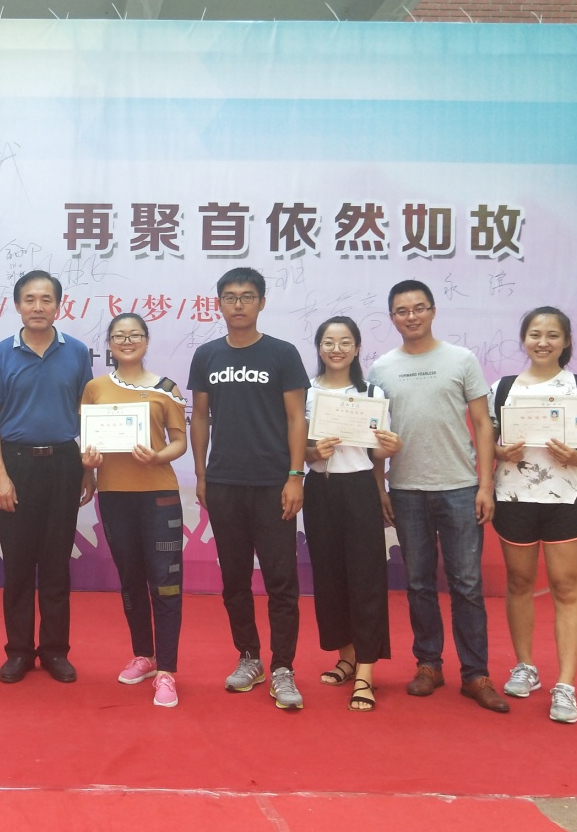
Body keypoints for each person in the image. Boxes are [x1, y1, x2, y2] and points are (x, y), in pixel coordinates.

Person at [369, 279, 509, 713]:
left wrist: (485, 485)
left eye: (419, 308)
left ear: (432, 311)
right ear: (392, 317)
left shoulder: (461, 359)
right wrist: (380, 487)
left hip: (460, 487)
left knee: (467, 584)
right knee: (418, 583)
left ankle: (476, 673)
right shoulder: (380, 369)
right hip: (406, 489)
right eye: (402, 310)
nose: (411, 316)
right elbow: (373, 435)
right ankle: (428, 664)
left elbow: (483, 424)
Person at [187, 266, 309, 710]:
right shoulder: (207, 355)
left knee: (281, 580)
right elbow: (200, 417)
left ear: (261, 302)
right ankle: (249, 657)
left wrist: (295, 476)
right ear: (219, 303)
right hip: (224, 483)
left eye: (247, 296)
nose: (238, 304)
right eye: (230, 297)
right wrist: (201, 474)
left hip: (273, 483)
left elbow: (296, 418)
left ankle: (283, 667)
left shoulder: (282, 353)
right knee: (234, 579)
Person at [0, 270, 95, 684]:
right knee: (19, 565)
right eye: (30, 299)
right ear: (17, 305)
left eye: (46, 299)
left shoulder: (76, 352)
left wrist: (87, 469)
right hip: (16, 464)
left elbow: (87, 412)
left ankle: (55, 651)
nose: (38, 307)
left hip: (63, 463)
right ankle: (19, 652)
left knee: (57, 564)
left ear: (59, 306)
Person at [489, 306, 577, 724]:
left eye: (553, 335)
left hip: (565, 499)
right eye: (535, 334)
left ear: (566, 341)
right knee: (519, 582)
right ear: (524, 339)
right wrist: (501, 451)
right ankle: (525, 667)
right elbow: (489, 442)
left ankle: (566, 685)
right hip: (514, 497)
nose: (543, 342)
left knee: (565, 587)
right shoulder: (502, 388)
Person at [81, 313, 187, 708]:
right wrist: (88, 467)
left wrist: (158, 456)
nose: (127, 341)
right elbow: (87, 442)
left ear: (146, 340)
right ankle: (144, 654)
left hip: (159, 494)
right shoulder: (95, 388)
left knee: (166, 582)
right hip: (114, 496)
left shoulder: (166, 388)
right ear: (109, 344)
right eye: (119, 336)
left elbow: (180, 442)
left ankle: (167, 671)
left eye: (135, 335)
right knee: (130, 579)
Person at [303, 316, 402, 712]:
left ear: (358, 348)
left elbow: (376, 453)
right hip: (320, 490)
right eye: (329, 342)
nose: (337, 349)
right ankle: (345, 657)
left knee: (366, 578)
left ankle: (366, 671)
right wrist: (313, 452)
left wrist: (389, 449)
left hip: (359, 489)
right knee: (328, 577)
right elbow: (296, 449)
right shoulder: (306, 392)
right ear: (319, 347)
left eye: (345, 342)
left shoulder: (372, 393)